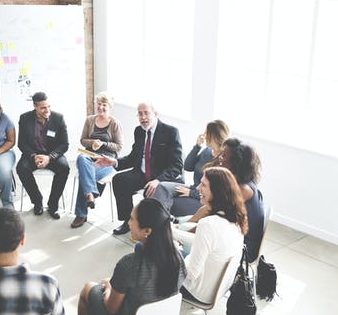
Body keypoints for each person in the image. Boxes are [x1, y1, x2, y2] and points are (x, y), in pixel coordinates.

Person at [76, 198, 186, 315]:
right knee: (113, 284)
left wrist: (107, 289)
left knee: (88, 288)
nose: (128, 223)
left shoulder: (129, 265)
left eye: (132, 219)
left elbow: (111, 308)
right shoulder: (178, 259)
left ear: (147, 230)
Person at [96, 102, 183, 236]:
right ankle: (128, 221)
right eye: (140, 114)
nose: (143, 117)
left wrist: (158, 180)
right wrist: (114, 162)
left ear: (155, 114)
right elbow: (133, 158)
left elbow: (176, 166)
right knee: (119, 180)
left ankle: (154, 230)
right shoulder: (139, 131)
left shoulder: (170, 132)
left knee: (151, 192)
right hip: (142, 173)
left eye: (146, 113)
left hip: (161, 177)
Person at [182, 138, 264, 260]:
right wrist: (188, 226)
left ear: (236, 162)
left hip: (241, 249)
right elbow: (208, 209)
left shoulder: (243, 189)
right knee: (183, 226)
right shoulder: (237, 181)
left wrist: (183, 234)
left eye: (224, 155)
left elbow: (213, 216)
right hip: (230, 236)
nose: (219, 157)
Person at [176, 167, 246, 303]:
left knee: (144, 248)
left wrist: (172, 248)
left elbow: (190, 274)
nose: (197, 188)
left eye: (203, 185)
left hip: (197, 292)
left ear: (217, 191)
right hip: (217, 289)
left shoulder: (208, 225)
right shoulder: (235, 218)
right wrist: (173, 233)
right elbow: (203, 243)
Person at [150, 120, 229, 217]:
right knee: (162, 187)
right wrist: (197, 146)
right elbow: (187, 166)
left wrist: (191, 193)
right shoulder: (207, 151)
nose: (204, 134)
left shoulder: (224, 160)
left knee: (170, 201)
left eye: (206, 132)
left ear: (214, 136)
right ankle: (155, 219)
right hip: (194, 188)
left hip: (202, 197)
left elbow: (216, 193)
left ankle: (159, 221)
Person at [71, 92, 123, 228]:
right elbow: (83, 140)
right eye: (98, 104)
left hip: (107, 159)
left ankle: (81, 213)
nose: (100, 107)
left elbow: (119, 146)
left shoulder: (115, 123)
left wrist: (104, 144)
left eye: (104, 105)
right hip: (90, 155)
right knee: (82, 158)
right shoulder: (89, 120)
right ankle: (90, 193)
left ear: (109, 106)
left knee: (85, 174)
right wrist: (92, 142)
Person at [16, 92, 70, 219]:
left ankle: (53, 204)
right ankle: (37, 201)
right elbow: (22, 144)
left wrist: (50, 157)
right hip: (33, 154)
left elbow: (64, 144)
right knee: (21, 168)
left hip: (52, 154)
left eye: (49, 106)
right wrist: (34, 156)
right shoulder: (24, 118)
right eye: (43, 108)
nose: (47, 110)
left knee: (64, 168)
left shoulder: (58, 118)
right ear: (35, 106)